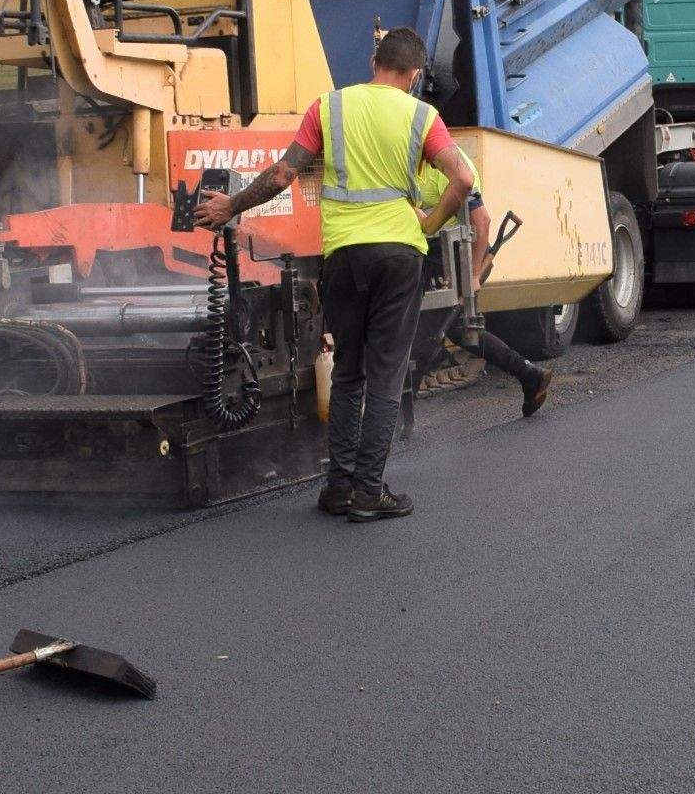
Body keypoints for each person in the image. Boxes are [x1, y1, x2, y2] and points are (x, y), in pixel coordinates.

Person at [196, 28, 545, 519]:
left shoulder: (328, 107)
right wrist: (429, 223)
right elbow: (463, 180)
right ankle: (369, 491)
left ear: (372, 59)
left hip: (342, 255)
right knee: (386, 375)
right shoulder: (423, 117)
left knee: (349, 373)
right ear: (416, 73)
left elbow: (281, 175)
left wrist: (231, 204)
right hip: (399, 256)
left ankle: (338, 486)